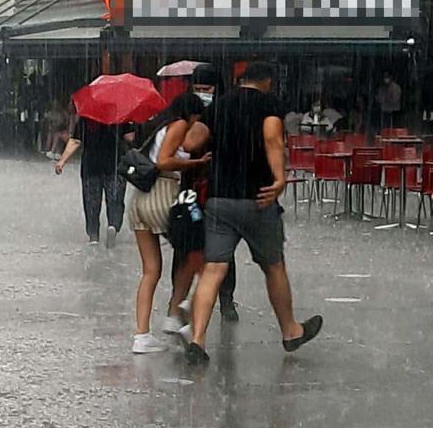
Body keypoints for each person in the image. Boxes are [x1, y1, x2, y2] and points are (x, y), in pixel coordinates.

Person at [182, 61, 323, 364]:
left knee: (214, 269)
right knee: (273, 266)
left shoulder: (220, 105)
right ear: (267, 82)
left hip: (220, 199)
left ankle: (198, 340)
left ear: (241, 80)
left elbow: (190, 140)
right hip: (258, 198)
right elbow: (272, 137)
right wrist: (279, 178)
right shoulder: (268, 104)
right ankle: (290, 331)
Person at [128, 93, 211, 353]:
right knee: (199, 251)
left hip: (139, 200)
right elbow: (164, 161)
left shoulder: (157, 126)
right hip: (162, 194)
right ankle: (180, 313)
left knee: (151, 271)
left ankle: (141, 336)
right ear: (191, 113)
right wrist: (195, 162)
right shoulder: (177, 125)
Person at [185, 64, 239, 322]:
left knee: (222, 250)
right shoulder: (187, 115)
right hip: (193, 192)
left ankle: (226, 299)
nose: (202, 94)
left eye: (206, 89)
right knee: (194, 245)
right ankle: (191, 298)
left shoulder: (227, 113)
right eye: (197, 89)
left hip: (220, 190)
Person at [55, 116, 131, 248]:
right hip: (115, 164)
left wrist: (62, 161)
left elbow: (76, 141)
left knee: (91, 201)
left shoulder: (86, 119)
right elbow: (130, 138)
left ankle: (93, 235)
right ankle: (113, 225)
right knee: (116, 199)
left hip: (91, 165)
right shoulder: (120, 115)